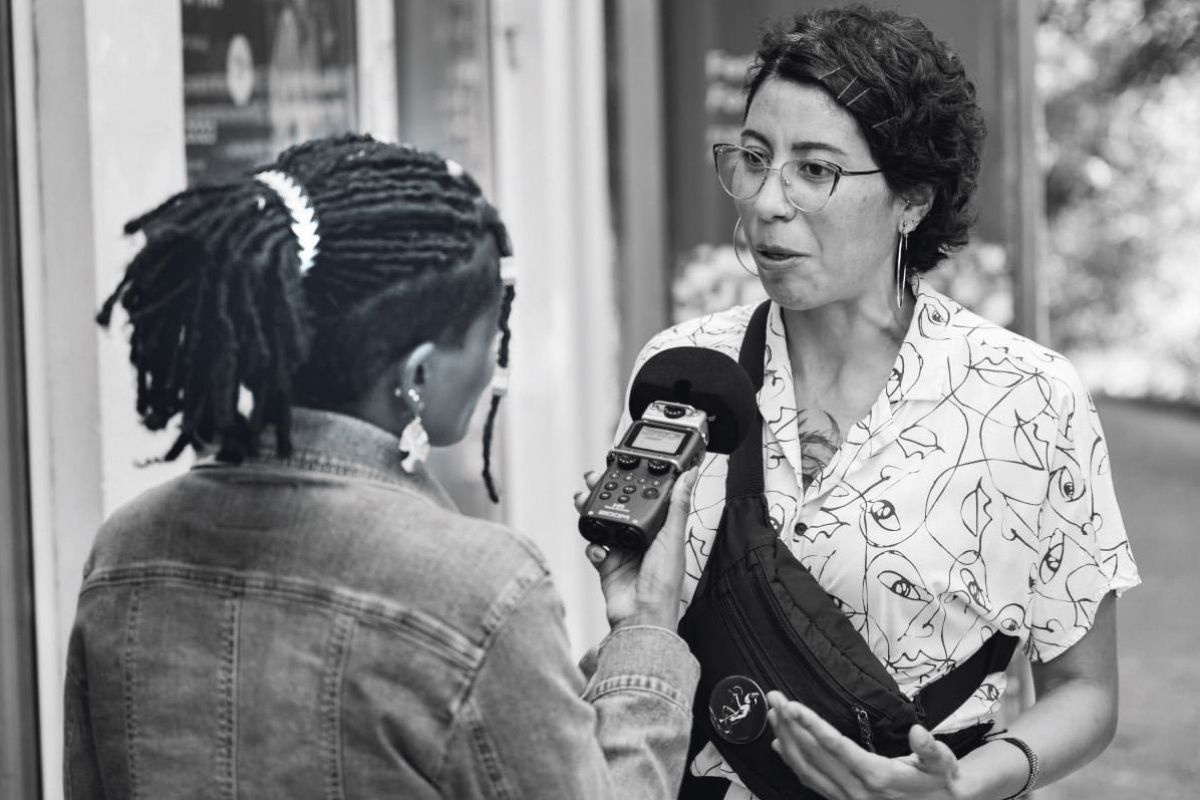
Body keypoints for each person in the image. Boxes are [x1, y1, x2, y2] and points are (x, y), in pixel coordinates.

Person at [602, 6, 1140, 800]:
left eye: (814, 169)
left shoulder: (1026, 398)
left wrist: (963, 785)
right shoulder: (685, 370)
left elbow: (1085, 691)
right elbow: (642, 630)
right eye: (753, 158)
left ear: (912, 200)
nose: (766, 201)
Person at [64, 134, 700, 799]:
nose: (494, 370)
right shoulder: (480, 589)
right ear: (418, 372)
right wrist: (645, 633)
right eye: (492, 338)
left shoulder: (125, 549)